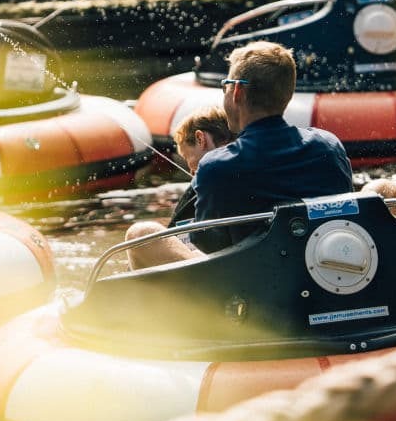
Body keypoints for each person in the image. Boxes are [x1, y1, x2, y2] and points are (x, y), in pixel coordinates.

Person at [126, 42, 356, 269]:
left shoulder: (216, 167)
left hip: (250, 285)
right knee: (383, 189)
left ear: (237, 92)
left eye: (224, 86)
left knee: (141, 234)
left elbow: (207, 244)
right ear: (287, 93)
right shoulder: (329, 146)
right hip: (329, 268)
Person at [124, 106, 234, 269]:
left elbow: (205, 240)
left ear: (200, 139)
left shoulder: (212, 176)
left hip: (223, 274)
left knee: (140, 233)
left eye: (188, 157)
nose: (191, 170)